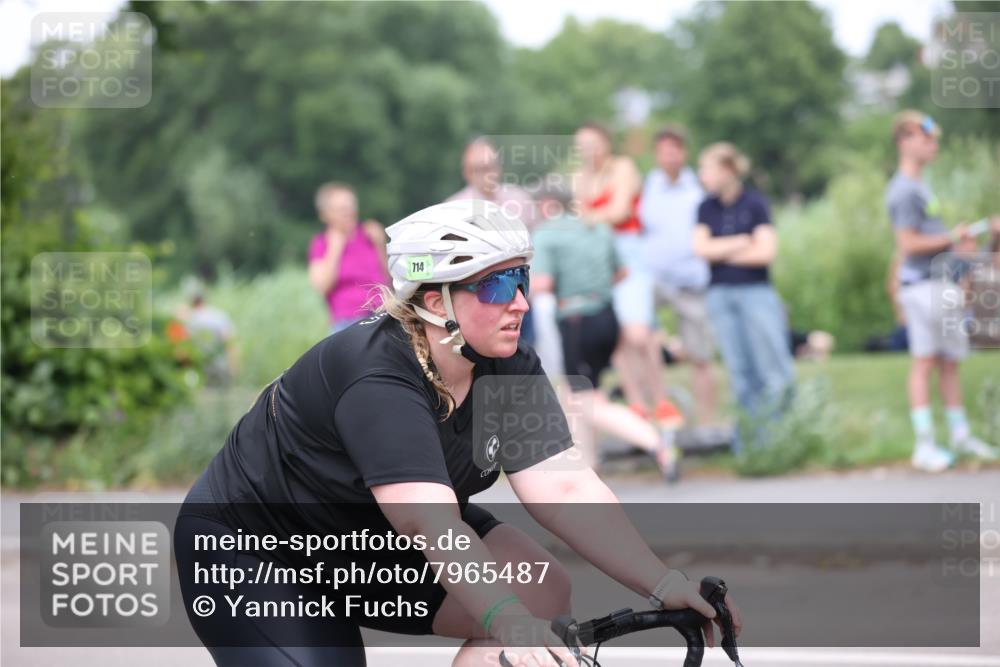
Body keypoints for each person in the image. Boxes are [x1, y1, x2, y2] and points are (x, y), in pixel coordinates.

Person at [174, 200, 741, 667]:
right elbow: (429, 521)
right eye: (495, 286)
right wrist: (507, 621)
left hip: (368, 537)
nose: (519, 301)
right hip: (257, 545)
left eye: (520, 277)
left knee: (540, 589)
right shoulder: (376, 372)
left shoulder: (506, 362)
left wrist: (664, 583)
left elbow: (564, 490)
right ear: (432, 301)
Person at [531, 179, 681, 480]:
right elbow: (622, 272)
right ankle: (588, 469)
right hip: (608, 317)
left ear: (547, 204)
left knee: (584, 402)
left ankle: (658, 444)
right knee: (579, 396)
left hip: (576, 322)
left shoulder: (547, 234)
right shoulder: (597, 227)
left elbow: (543, 284)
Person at [885, 111, 996, 471]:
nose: (933, 145)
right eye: (925, 138)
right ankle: (925, 444)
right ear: (904, 141)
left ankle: (960, 435)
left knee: (950, 363)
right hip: (922, 288)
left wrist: (969, 240)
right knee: (924, 362)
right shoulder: (902, 190)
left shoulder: (921, 186)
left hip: (940, 283)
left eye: (934, 139)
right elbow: (908, 243)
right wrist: (951, 238)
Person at [572, 122, 684, 429]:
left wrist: (586, 217)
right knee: (616, 337)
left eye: (592, 143)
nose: (587, 151)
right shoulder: (579, 178)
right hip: (598, 260)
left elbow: (620, 211)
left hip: (630, 255)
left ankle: (660, 399)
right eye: (581, 145)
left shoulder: (623, 168)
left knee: (639, 332)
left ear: (606, 142)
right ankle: (636, 402)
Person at [693, 143, 795, 444]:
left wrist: (719, 251)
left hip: (756, 293)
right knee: (740, 373)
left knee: (773, 369)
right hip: (720, 295)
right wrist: (740, 242)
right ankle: (751, 444)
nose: (702, 176)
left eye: (706, 169)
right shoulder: (705, 207)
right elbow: (700, 249)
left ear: (726, 170)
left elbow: (765, 253)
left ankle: (780, 439)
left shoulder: (755, 204)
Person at [639, 127, 719, 428]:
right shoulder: (648, 186)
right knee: (641, 338)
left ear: (683, 153)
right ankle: (660, 408)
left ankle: (707, 422)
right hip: (656, 278)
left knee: (700, 354)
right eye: (663, 150)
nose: (669, 155)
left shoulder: (698, 187)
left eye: (674, 149)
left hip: (691, 279)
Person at [449, 138, 546, 352]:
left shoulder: (520, 199)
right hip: (484, 298)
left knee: (527, 351)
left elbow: (540, 241)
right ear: (467, 172)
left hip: (523, 291)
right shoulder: (454, 209)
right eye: (479, 169)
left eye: (490, 167)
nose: (486, 174)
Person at [308, 182, 390, 334]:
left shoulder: (369, 235)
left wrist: (380, 245)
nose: (348, 212)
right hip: (347, 321)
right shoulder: (321, 243)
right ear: (325, 214)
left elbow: (390, 280)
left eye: (351, 206)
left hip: (382, 314)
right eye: (341, 209)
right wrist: (334, 249)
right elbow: (322, 287)